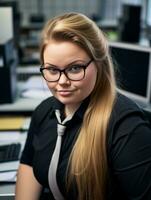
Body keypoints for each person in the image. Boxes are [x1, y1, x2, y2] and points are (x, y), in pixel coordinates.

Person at [15, 12, 151, 200]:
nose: (62, 81)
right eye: (53, 70)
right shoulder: (45, 111)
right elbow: (29, 166)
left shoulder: (127, 129)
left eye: (75, 68)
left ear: (99, 64)